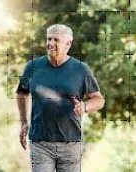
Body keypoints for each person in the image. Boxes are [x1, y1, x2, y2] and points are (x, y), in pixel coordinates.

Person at [16, 24, 105, 172]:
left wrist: (85, 107)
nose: (50, 43)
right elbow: (21, 93)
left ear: (68, 44)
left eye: (56, 40)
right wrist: (24, 122)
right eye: (49, 39)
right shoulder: (32, 67)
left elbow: (98, 99)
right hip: (40, 142)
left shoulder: (81, 69)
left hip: (71, 143)